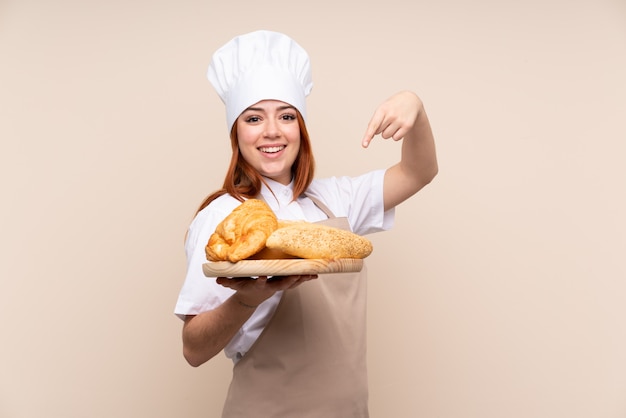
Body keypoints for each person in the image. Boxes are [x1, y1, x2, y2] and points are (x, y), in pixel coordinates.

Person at [175, 30, 438, 417]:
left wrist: (415, 107)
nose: (272, 131)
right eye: (253, 118)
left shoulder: (335, 199)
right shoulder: (224, 217)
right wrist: (248, 298)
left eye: (286, 116)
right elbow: (193, 350)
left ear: (301, 128)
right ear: (236, 132)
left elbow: (419, 171)